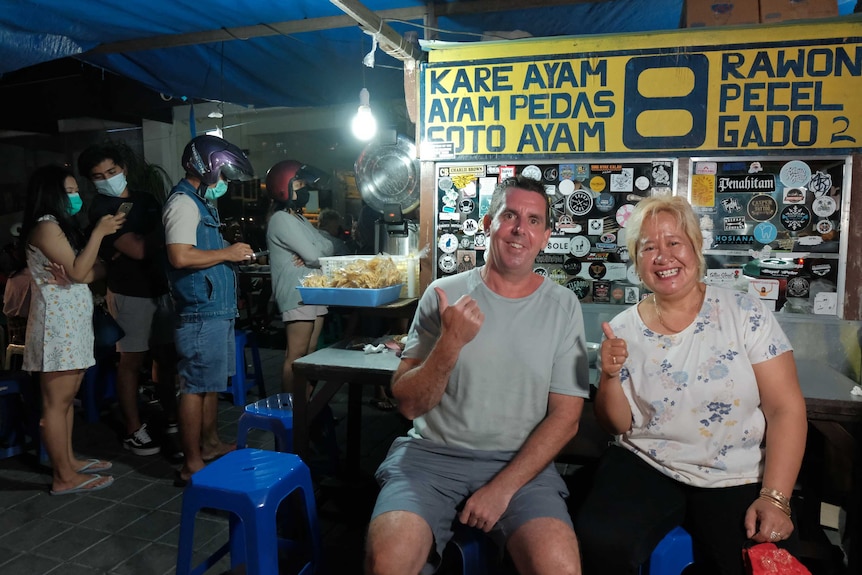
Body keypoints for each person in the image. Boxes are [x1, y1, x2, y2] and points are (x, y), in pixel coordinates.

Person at [365, 175, 590, 575]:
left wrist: (502, 489)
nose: (521, 229)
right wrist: (450, 342)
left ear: (545, 236)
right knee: (388, 562)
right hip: (431, 457)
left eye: (534, 220)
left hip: (521, 464)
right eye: (510, 215)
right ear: (488, 225)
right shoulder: (443, 294)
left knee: (560, 568)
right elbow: (408, 403)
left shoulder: (563, 306)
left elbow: (566, 417)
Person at [574, 196, 808, 575]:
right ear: (636, 260)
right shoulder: (621, 329)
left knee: (763, 562)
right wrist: (610, 375)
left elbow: (786, 409)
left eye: (673, 242)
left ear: (696, 247)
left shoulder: (745, 313)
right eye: (648, 247)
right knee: (600, 543)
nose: (663, 256)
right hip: (646, 464)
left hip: (736, 472)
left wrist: (776, 497)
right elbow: (617, 425)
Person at [21, 165, 125, 495]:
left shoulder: (56, 228)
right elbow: (83, 271)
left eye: (76, 190)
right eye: (69, 192)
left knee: (65, 402)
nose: (76, 196)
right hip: (57, 327)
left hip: (71, 324)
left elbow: (94, 269)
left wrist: (87, 269)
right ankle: (63, 476)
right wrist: (98, 234)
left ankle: (67, 462)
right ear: (49, 194)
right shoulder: (46, 228)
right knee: (56, 404)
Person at [164, 135, 256, 486]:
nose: (226, 180)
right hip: (200, 312)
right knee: (194, 386)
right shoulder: (183, 204)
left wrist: (230, 254)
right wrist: (228, 253)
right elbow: (180, 256)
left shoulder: (201, 203)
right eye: (224, 171)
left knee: (209, 385)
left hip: (214, 309)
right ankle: (191, 464)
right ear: (208, 165)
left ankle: (211, 444)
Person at [77, 144, 179, 458]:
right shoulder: (101, 209)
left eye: (111, 172)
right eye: (98, 176)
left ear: (123, 167)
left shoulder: (145, 199)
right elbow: (137, 249)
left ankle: (173, 416)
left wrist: (151, 240)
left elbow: (142, 245)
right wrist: (167, 234)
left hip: (160, 289)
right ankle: (134, 430)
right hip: (129, 293)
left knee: (165, 358)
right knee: (130, 363)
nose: (107, 179)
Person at [265, 160, 334, 396]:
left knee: (310, 353)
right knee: (296, 355)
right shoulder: (281, 219)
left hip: (314, 291)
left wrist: (313, 252)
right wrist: (313, 252)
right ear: (284, 186)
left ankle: (306, 409)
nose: (304, 189)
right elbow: (316, 254)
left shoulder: (300, 219)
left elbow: (329, 246)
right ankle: (291, 415)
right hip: (298, 294)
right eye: (299, 183)